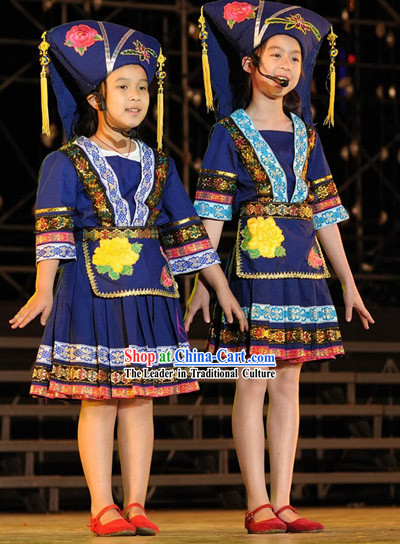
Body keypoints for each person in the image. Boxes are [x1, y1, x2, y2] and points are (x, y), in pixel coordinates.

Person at [9, 20, 246, 537]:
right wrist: (44, 287)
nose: (136, 97)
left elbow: (187, 233)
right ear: (96, 98)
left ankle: (136, 503)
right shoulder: (65, 162)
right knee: (100, 399)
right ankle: (102, 506)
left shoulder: (161, 165)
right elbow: (51, 228)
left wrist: (220, 287)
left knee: (141, 400)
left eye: (143, 87)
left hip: (152, 294)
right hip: (91, 289)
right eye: (123, 87)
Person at [185, 0, 374, 534]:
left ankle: (285, 498)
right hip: (252, 272)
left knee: (289, 384)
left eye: (296, 56)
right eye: (276, 53)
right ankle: (256, 501)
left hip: (304, 271)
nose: (287, 65)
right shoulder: (230, 131)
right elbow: (214, 211)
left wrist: (349, 283)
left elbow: (326, 214)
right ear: (251, 63)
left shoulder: (308, 135)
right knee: (253, 382)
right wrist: (204, 279)